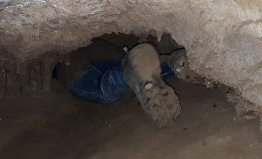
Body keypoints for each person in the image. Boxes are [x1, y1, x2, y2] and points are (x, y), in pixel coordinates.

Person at [54, 39, 201, 129]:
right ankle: (173, 63)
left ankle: (129, 74)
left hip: (73, 62)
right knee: (132, 64)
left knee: (99, 89)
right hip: (105, 51)